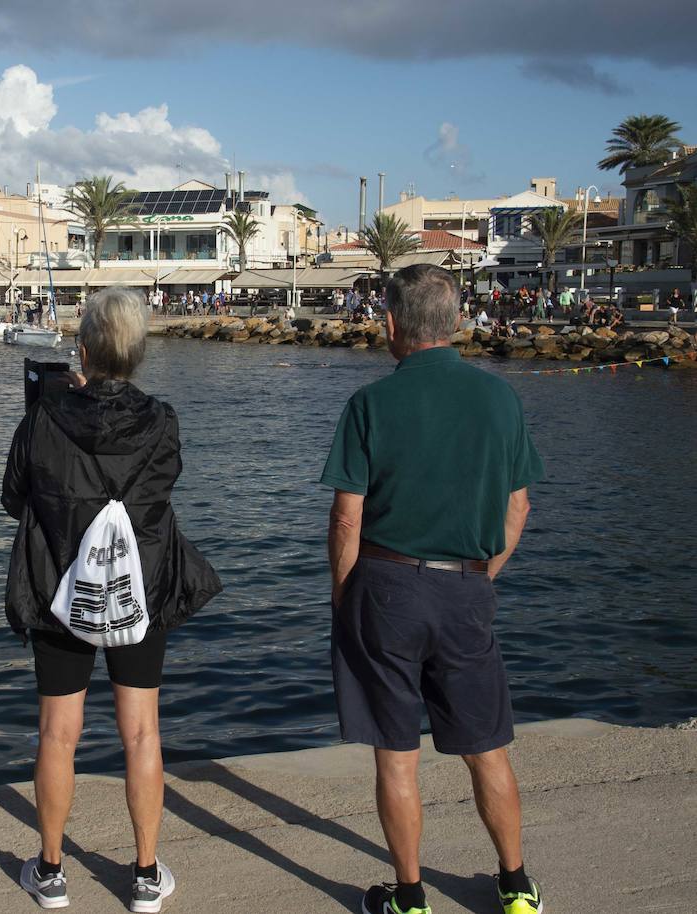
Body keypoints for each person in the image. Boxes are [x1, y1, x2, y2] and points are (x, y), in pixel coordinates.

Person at [321, 264, 545, 914]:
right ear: (457, 321)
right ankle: (516, 887)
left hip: (385, 589)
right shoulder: (500, 399)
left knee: (396, 755)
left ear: (392, 323)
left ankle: (411, 898)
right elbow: (519, 507)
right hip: (466, 589)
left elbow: (346, 519)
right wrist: (481, 576)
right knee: (486, 749)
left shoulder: (369, 404)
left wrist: (344, 595)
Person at [2, 287, 220, 914]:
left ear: (84, 349)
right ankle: (147, 876)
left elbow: (15, 497)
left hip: (59, 588)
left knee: (57, 734)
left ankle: (50, 872)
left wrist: (58, 404)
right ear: (138, 352)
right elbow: (159, 492)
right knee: (142, 733)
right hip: (139, 591)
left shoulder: (45, 417)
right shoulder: (163, 421)